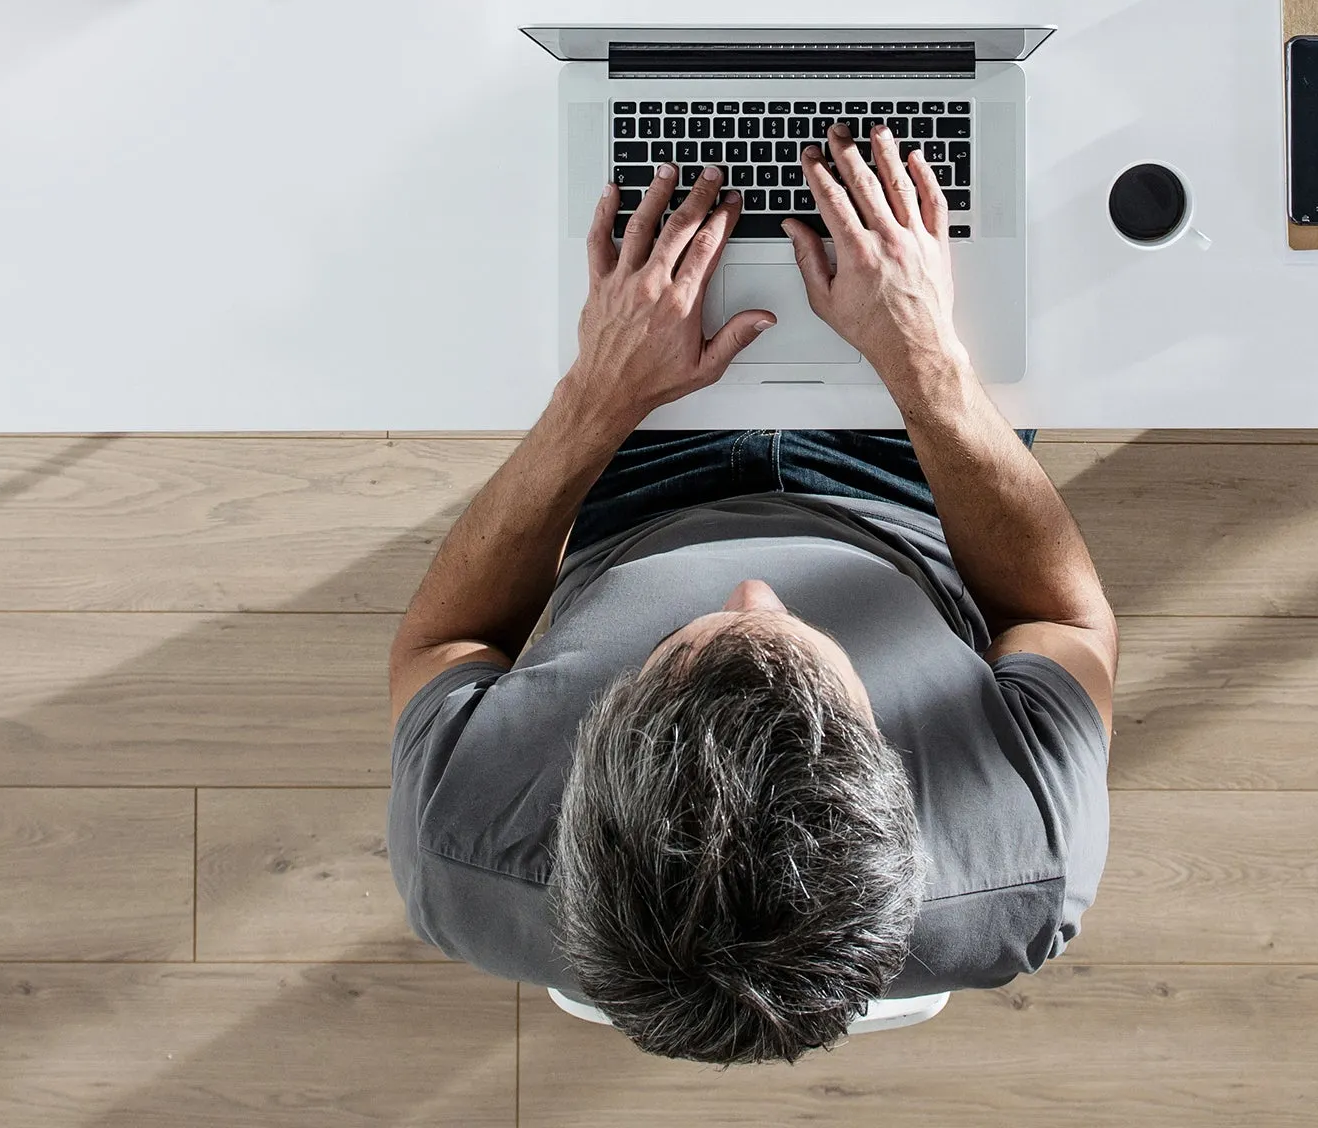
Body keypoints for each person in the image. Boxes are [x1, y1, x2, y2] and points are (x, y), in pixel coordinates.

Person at [387, 122, 1116, 1065]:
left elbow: (443, 642)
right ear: (898, 782)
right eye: (810, 638)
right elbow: (1058, 617)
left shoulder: (465, 849)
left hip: (627, 473)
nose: (752, 589)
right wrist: (924, 364)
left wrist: (598, 396)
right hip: (918, 484)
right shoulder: (1023, 856)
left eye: (679, 646)